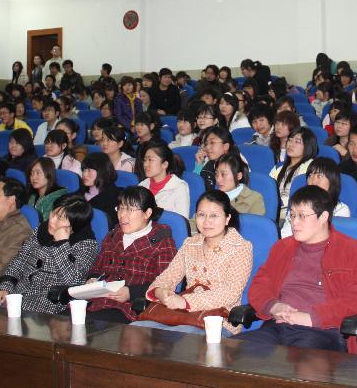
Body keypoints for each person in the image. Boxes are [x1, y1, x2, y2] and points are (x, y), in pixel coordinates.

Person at [237, 186, 357, 350]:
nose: (294, 222)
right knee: (233, 353)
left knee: (296, 361)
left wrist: (311, 317)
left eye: (302, 216)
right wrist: (274, 306)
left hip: (323, 331)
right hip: (278, 326)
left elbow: (356, 301)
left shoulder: (354, 251)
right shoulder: (282, 248)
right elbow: (259, 286)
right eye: (292, 215)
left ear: (323, 217)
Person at [136, 191, 253, 336]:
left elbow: (230, 293)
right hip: (183, 316)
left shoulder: (240, 248)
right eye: (201, 215)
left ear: (227, 218)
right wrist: (160, 291)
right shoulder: (190, 244)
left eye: (214, 216)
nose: (207, 221)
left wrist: (185, 302)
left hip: (219, 321)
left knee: (179, 339)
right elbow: (169, 275)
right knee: (135, 330)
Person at [0, 194, 99, 314]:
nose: (52, 220)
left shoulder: (87, 245)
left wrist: (62, 244)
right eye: (53, 213)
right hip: (19, 294)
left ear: (74, 224)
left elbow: (73, 281)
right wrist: (5, 286)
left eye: (59, 218)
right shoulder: (42, 230)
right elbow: (20, 259)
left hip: (48, 303)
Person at [84, 186, 178, 323]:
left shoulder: (161, 240)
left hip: (131, 308)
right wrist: (92, 279)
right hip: (97, 302)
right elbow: (97, 267)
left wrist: (132, 292)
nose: (122, 215)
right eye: (120, 208)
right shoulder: (113, 235)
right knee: (64, 320)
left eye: (130, 210)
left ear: (147, 213)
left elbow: (166, 282)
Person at [280, 158, 350, 238]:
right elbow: (285, 235)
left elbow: (335, 239)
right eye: (310, 175)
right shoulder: (297, 206)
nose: (312, 181)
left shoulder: (341, 210)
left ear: (331, 181)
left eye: (319, 176)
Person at [270, 127, 318, 227]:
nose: (291, 144)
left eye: (297, 142)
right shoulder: (279, 167)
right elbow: (268, 189)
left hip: (293, 216)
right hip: (273, 213)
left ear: (308, 146)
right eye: (290, 140)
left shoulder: (311, 168)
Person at [136, 140, 190, 217]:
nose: (145, 164)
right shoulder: (142, 186)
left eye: (150, 160)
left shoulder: (179, 187)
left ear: (164, 164)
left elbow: (182, 221)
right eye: (145, 160)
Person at [69, 152, 120, 226]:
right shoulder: (77, 195)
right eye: (84, 169)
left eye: (89, 170)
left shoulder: (116, 197)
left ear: (102, 171)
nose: (84, 174)